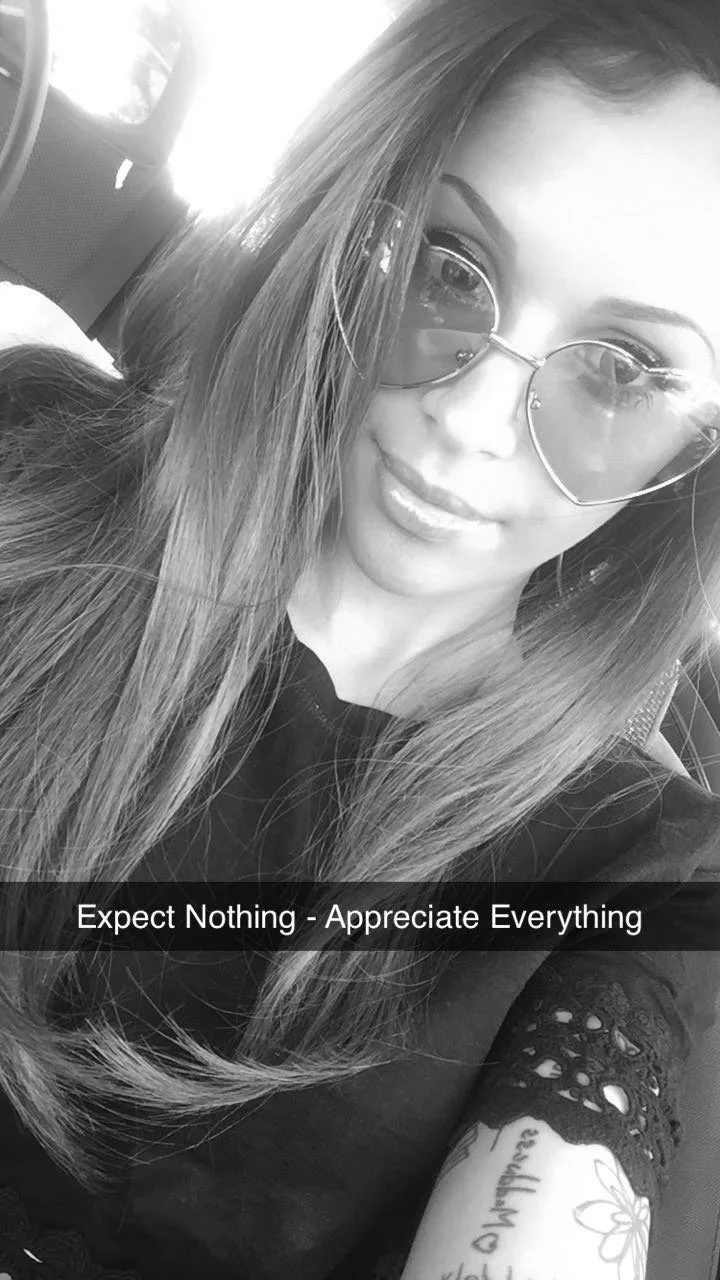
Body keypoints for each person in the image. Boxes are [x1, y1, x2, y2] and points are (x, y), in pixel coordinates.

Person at [1, 0, 720, 1277]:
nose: (474, 418)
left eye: (622, 368)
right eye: (449, 266)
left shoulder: (650, 875)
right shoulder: (31, 478)